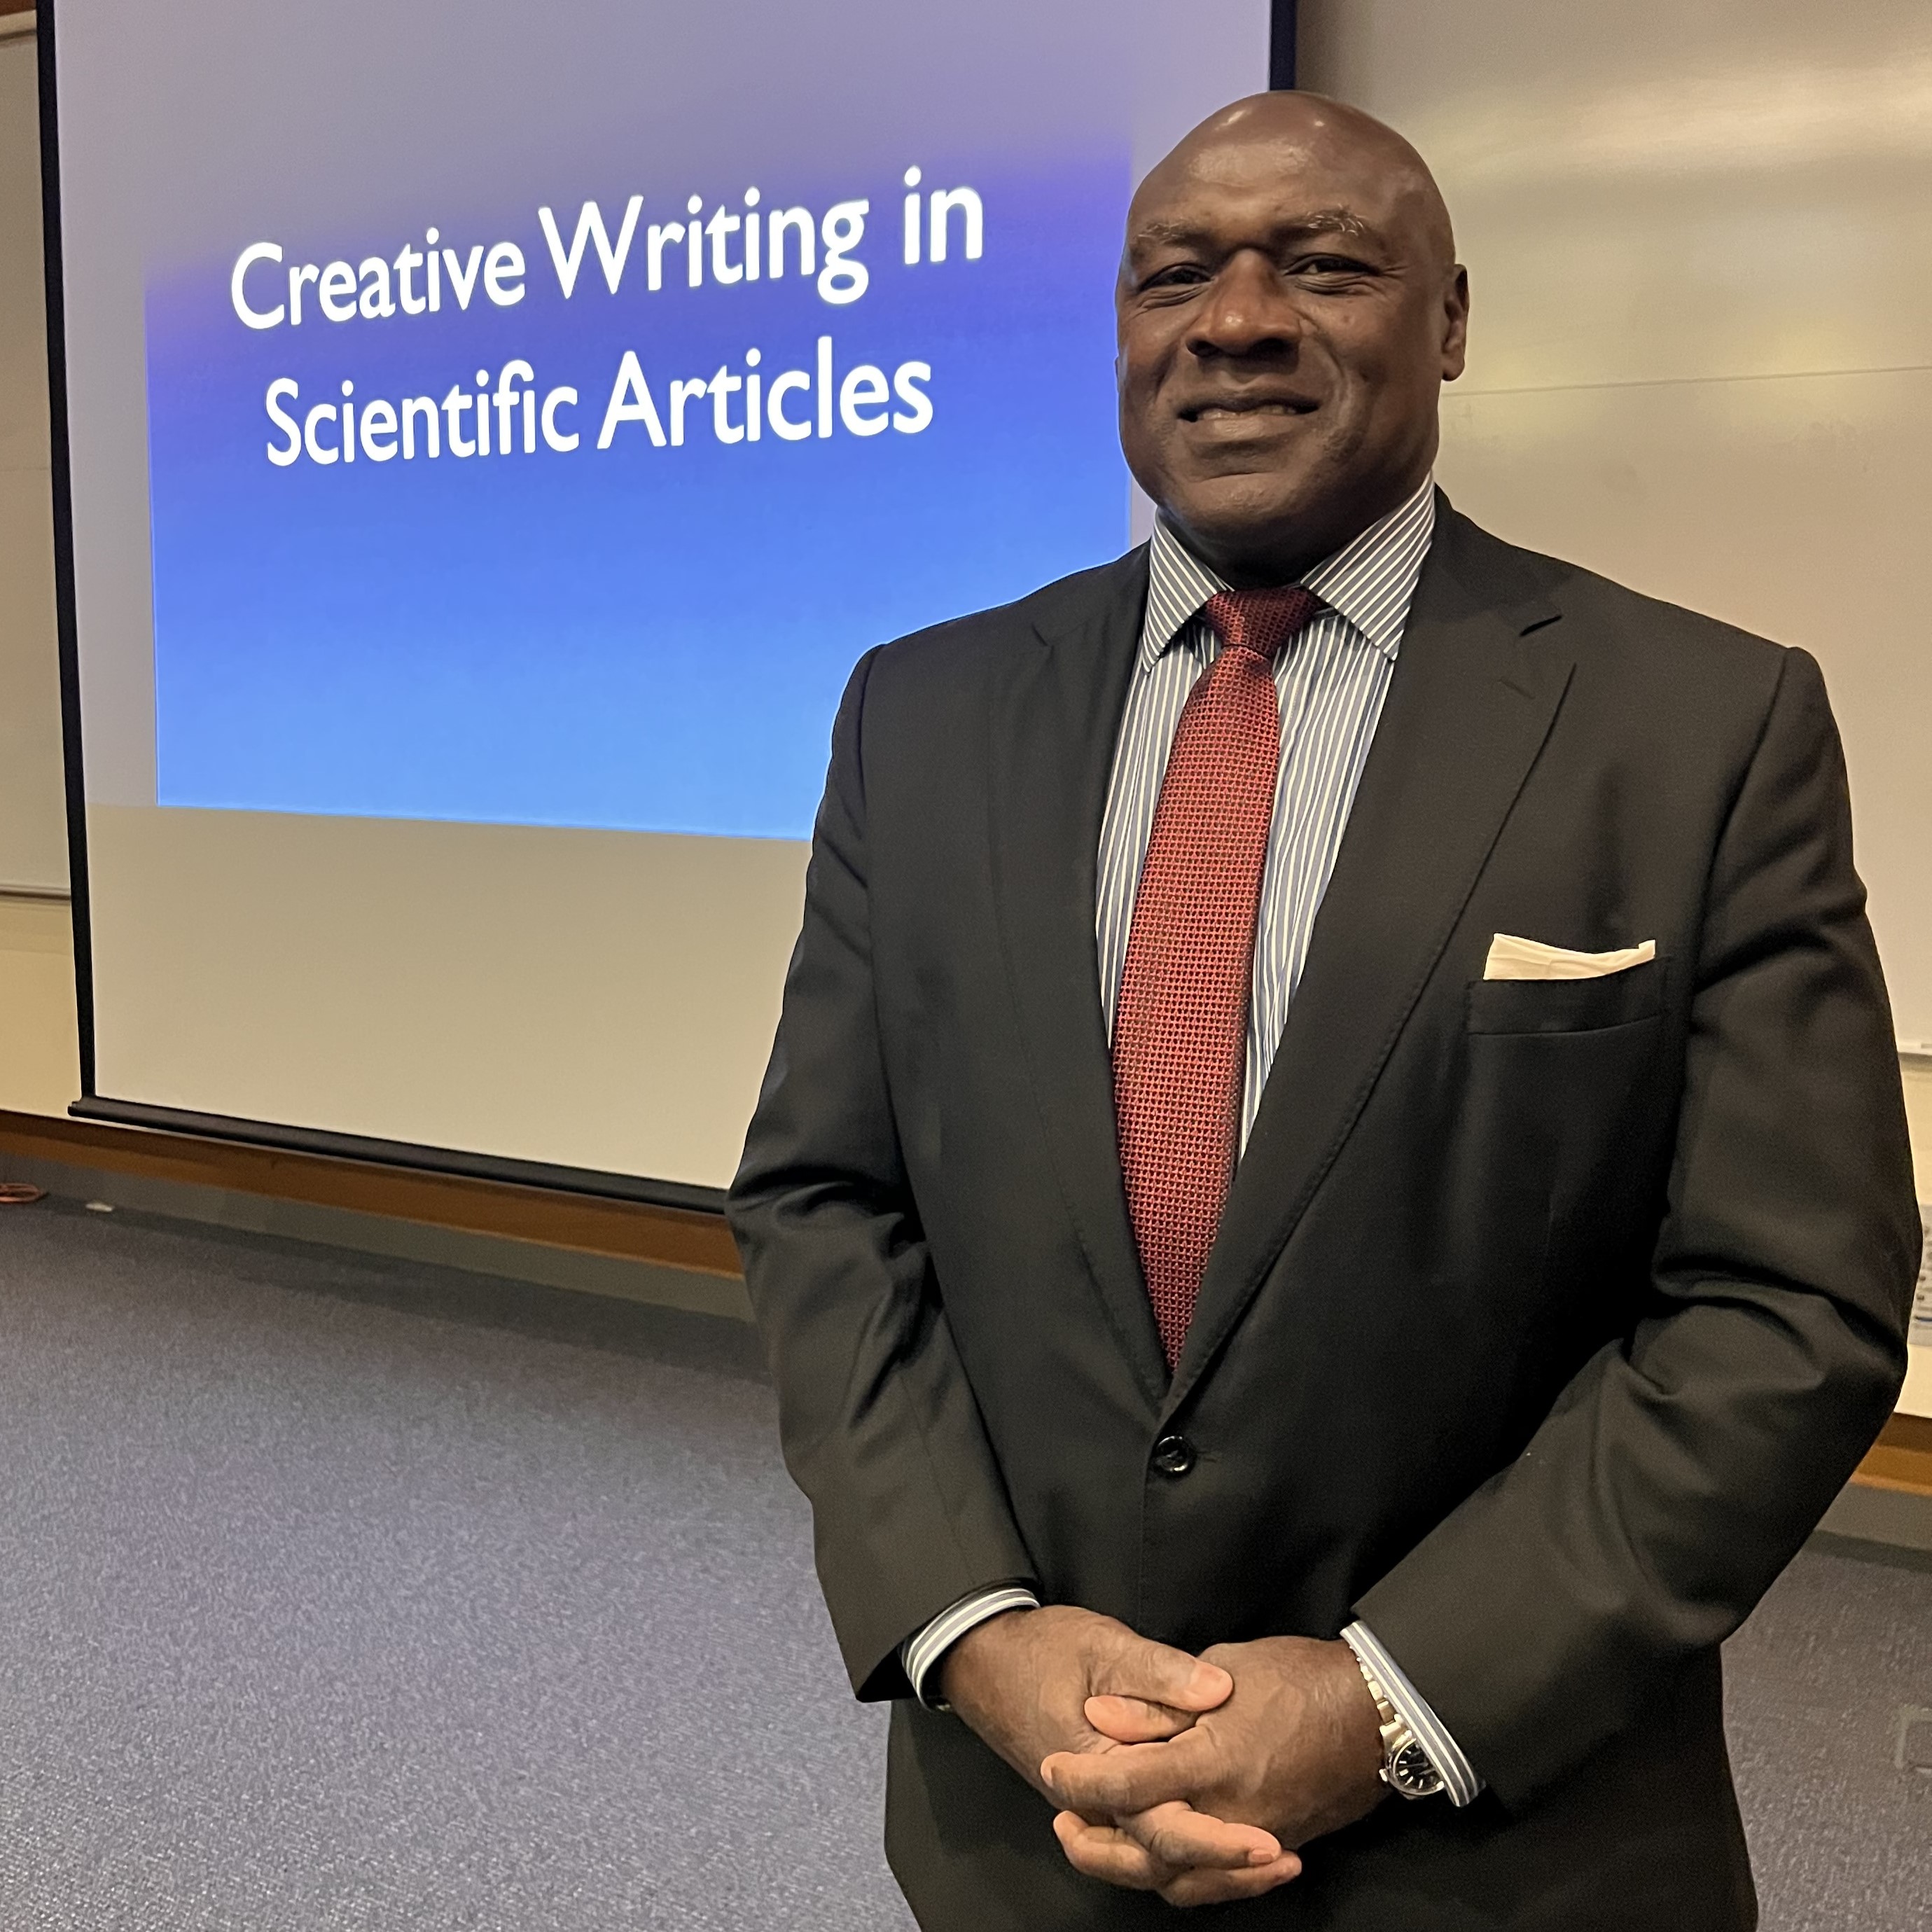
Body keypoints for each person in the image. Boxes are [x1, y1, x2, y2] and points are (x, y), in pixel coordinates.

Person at [725, 90, 1919, 1930]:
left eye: (1326, 264)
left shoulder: (1698, 729)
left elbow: (1790, 1296)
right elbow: (827, 1205)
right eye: (1176, 274)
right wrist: (976, 1633)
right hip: (1033, 1822)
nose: (1240, 318)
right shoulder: (924, 717)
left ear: (1450, 320)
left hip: (1503, 1835)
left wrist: (1381, 1701)